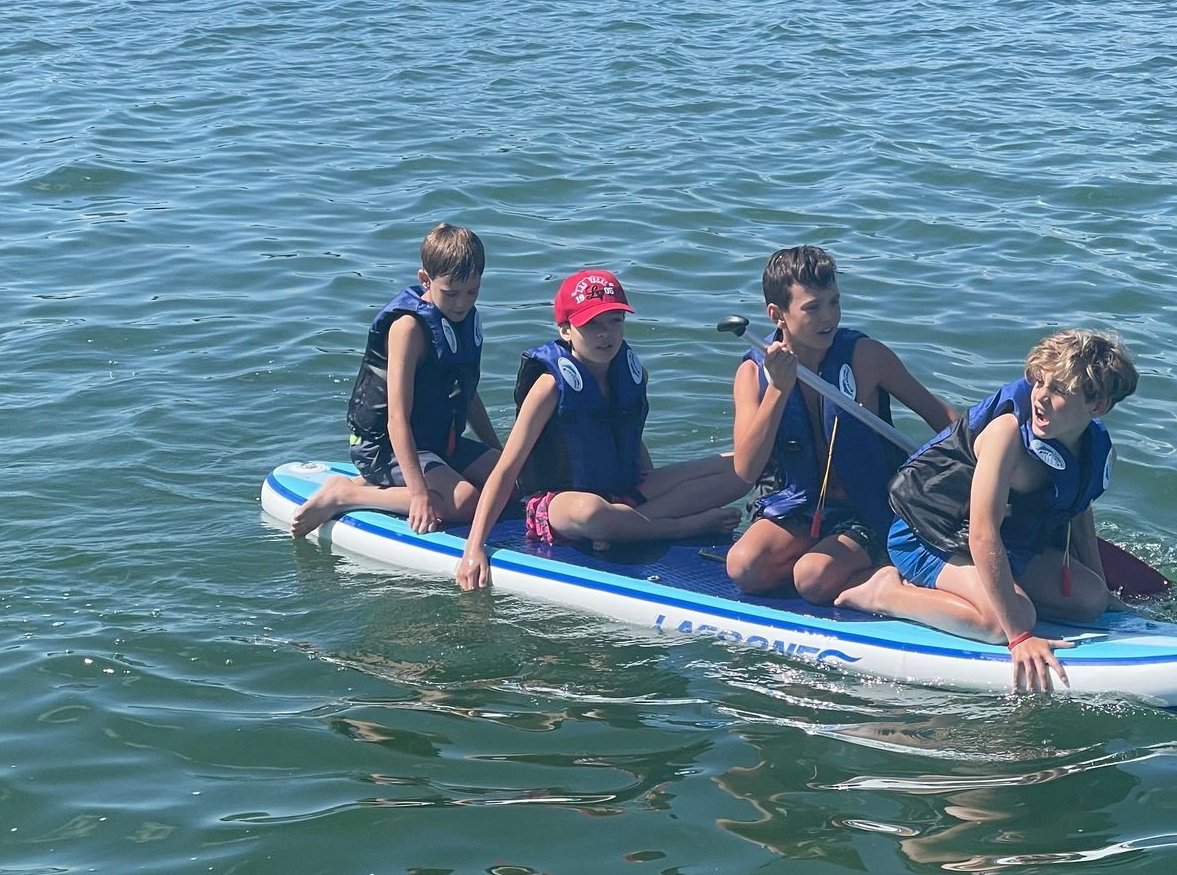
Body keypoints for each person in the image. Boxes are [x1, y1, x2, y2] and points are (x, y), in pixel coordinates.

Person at [835, 330, 1138, 692]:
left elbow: (1077, 507)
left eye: (1058, 390)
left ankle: (994, 592)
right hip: (925, 536)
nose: (1040, 396)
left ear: (1097, 405)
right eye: (1039, 381)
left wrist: (1103, 588)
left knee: (1089, 601)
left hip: (997, 545)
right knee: (1005, 620)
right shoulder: (1006, 433)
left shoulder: (1093, 446)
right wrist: (1020, 636)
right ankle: (885, 592)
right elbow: (982, 533)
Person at [456, 270, 745, 590]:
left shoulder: (635, 373)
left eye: (615, 321)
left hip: (625, 491)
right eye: (591, 324)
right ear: (565, 330)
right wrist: (474, 547)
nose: (605, 334)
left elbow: (632, 441)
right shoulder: (550, 387)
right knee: (593, 513)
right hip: (563, 504)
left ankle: (629, 525)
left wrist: (655, 487)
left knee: (739, 465)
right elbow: (506, 469)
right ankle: (677, 527)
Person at [726, 245, 956, 604]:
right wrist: (778, 391)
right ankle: (840, 567)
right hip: (797, 505)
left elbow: (943, 419)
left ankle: (888, 576)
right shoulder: (752, 373)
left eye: (834, 302)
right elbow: (745, 469)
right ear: (777, 315)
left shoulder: (866, 357)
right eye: (812, 308)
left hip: (867, 508)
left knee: (811, 577)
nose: (828, 317)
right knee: (745, 567)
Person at [291, 224, 501, 538]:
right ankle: (345, 494)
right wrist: (418, 494)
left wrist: (498, 453)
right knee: (465, 502)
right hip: (384, 447)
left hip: (436, 443)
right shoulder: (408, 329)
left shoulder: (464, 318)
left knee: (509, 480)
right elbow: (396, 418)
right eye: (451, 293)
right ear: (425, 280)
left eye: (472, 292)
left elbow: (466, 394)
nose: (462, 303)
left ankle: (406, 482)